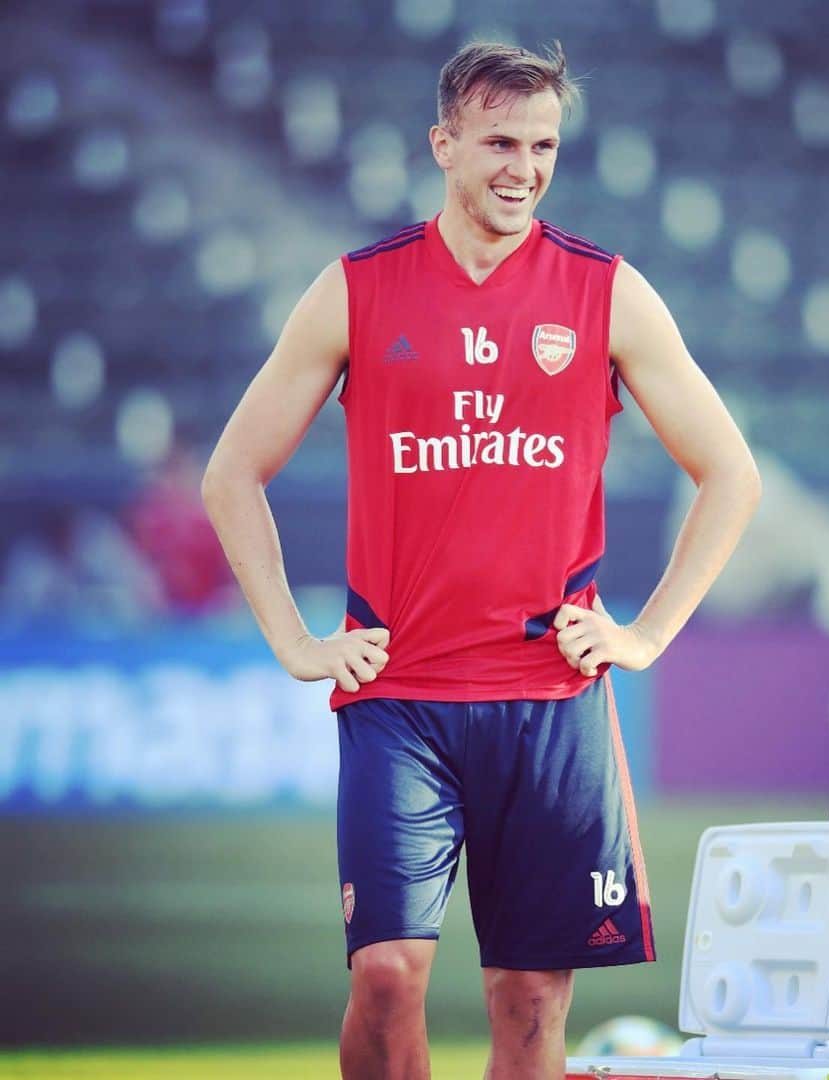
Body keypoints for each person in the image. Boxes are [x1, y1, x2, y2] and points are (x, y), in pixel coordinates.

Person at [202, 40, 760, 1080]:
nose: (524, 167)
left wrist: (645, 634)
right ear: (444, 144)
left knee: (533, 1005)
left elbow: (731, 472)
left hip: (551, 703)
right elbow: (231, 473)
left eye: (544, 145)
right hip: (400, 695)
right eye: (499, 141)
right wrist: (293, 639)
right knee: (387, 976)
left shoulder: (607, 291)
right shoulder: (357, 290)